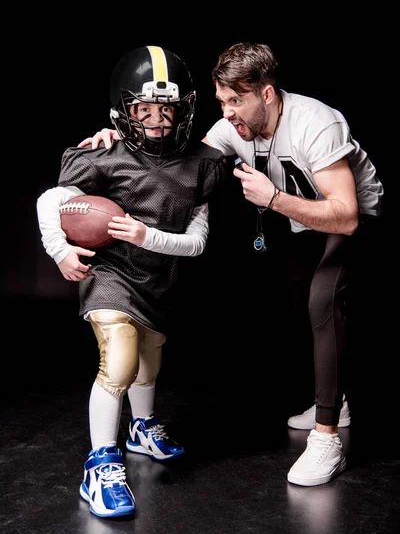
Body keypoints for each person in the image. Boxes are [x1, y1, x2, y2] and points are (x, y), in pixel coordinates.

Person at [81, 42, 383, 488]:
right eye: (221, 101)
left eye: (235, 101)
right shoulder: (233, 127)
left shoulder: (316, 123)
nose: (226, 114)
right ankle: (334, 402)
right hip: (303, 224)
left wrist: (274, 199)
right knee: (299, 301)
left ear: (267, 93)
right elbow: (177, 165)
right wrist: (116, 142)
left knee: (324, 302)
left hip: (355, 221)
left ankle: (327, 437)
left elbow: (347, 214)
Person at [36, 45, 229, 517]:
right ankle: (99, 463)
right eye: (144, 110)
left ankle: (141, 428)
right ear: (124, 112)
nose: (157, 122)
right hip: (111, 275)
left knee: (148, 360)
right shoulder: (103, 154)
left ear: (184, 111)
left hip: (158, 278)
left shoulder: (202, 163)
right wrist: (59, 250)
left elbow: (198, 243)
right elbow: (48, 201)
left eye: (167, 111)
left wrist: (148, 236)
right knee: (119, 360)